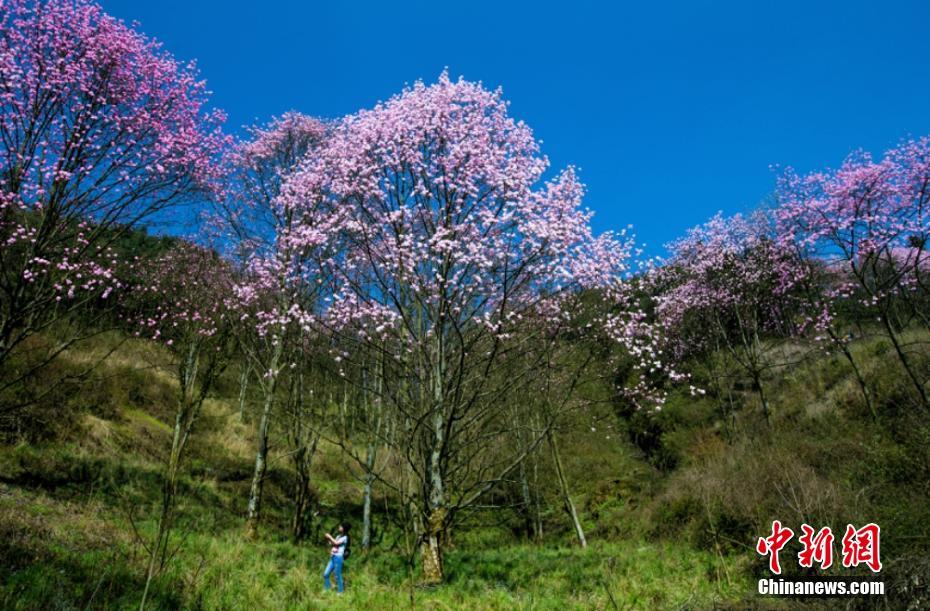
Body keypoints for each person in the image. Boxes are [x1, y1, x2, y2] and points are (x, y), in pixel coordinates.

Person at [323, 522, 350, 593]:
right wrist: (328, 539)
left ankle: (340, 592)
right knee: (326, 574)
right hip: (333, 557)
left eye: (341, 526)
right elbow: (332, 543)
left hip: (338, 558)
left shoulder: (345, 537)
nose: (339, 527)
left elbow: (336, 543)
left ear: (344, 529)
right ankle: (327, 589)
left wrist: (329, 536)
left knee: (337, 575)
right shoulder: (338, 536)